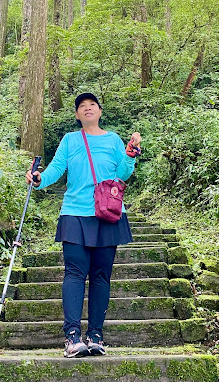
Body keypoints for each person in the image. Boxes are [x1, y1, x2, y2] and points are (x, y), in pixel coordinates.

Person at [25, 92, 141, 358]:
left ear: (100, 111)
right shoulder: (70, 140)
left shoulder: (113, 140)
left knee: (101, 275)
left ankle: (96, 335)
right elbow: (56, 169)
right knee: (75, 273)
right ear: (77, 115)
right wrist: (40, 178)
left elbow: (123, 174)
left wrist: (131, 153)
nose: (87, 109)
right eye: (82, 107)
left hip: (108, 214)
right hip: (75, 213)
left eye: (92, 105)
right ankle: (73, 337)